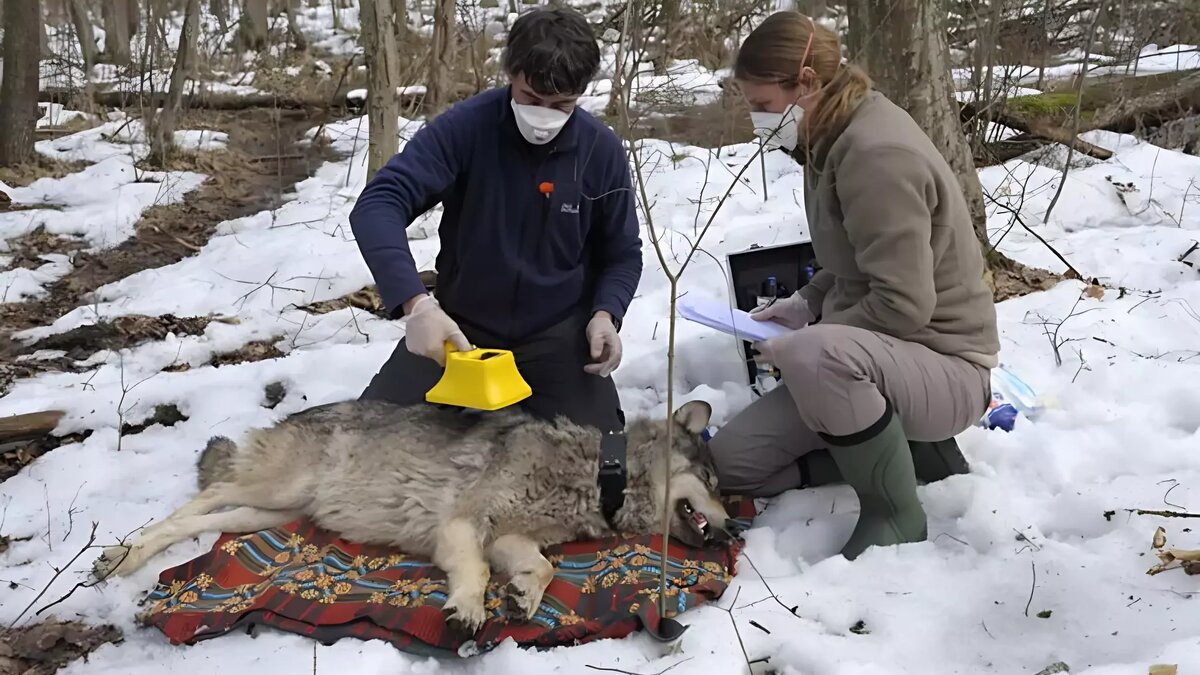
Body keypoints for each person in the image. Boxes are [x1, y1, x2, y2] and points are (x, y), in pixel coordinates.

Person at [707, 11, 1000, 560]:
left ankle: (894, 512)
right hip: (878, 358)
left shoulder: (874, 154)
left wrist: (807, 345)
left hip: (945, 364)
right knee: (731, 465)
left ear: (807, 84)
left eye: (763, 105)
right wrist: (803, 305)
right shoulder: (826, 134)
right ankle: (915, 456)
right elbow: (853, 267)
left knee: (818, 357)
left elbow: (903, 304)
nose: (756, 119)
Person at [348, 6, 642, 434]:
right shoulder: (466, 129)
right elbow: (379, 204)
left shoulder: (602, 152)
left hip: (557, 337)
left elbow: (622, 254)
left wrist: (605, 314)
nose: (544, 117)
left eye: (561, 105)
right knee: (365, 444)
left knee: (600, 463)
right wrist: (417, 305)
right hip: (460, 334)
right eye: (531, 99)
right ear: (510, 74)